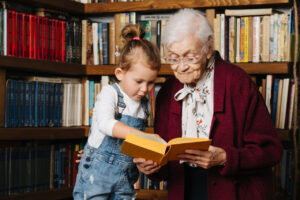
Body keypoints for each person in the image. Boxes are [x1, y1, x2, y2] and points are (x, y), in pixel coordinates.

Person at [133, 8, 283, 200]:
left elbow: (272, 151)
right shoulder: (168, 91)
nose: (181, 66)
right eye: (173, 58)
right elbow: (166, 163)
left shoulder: (237, 82)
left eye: (190, 57)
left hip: (233, 192)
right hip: (184, 190)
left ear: (208, 47)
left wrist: (226, 158)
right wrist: (152, 167)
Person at [73, 24, 161, 200]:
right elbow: (106, 125)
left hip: (125, 178)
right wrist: (145, 137)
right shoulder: (110, 93)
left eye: (151, 82)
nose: (145, 89)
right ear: (120, 73)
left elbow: (134, 145)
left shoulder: (145, 105)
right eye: (139, 81)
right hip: (96, 177)